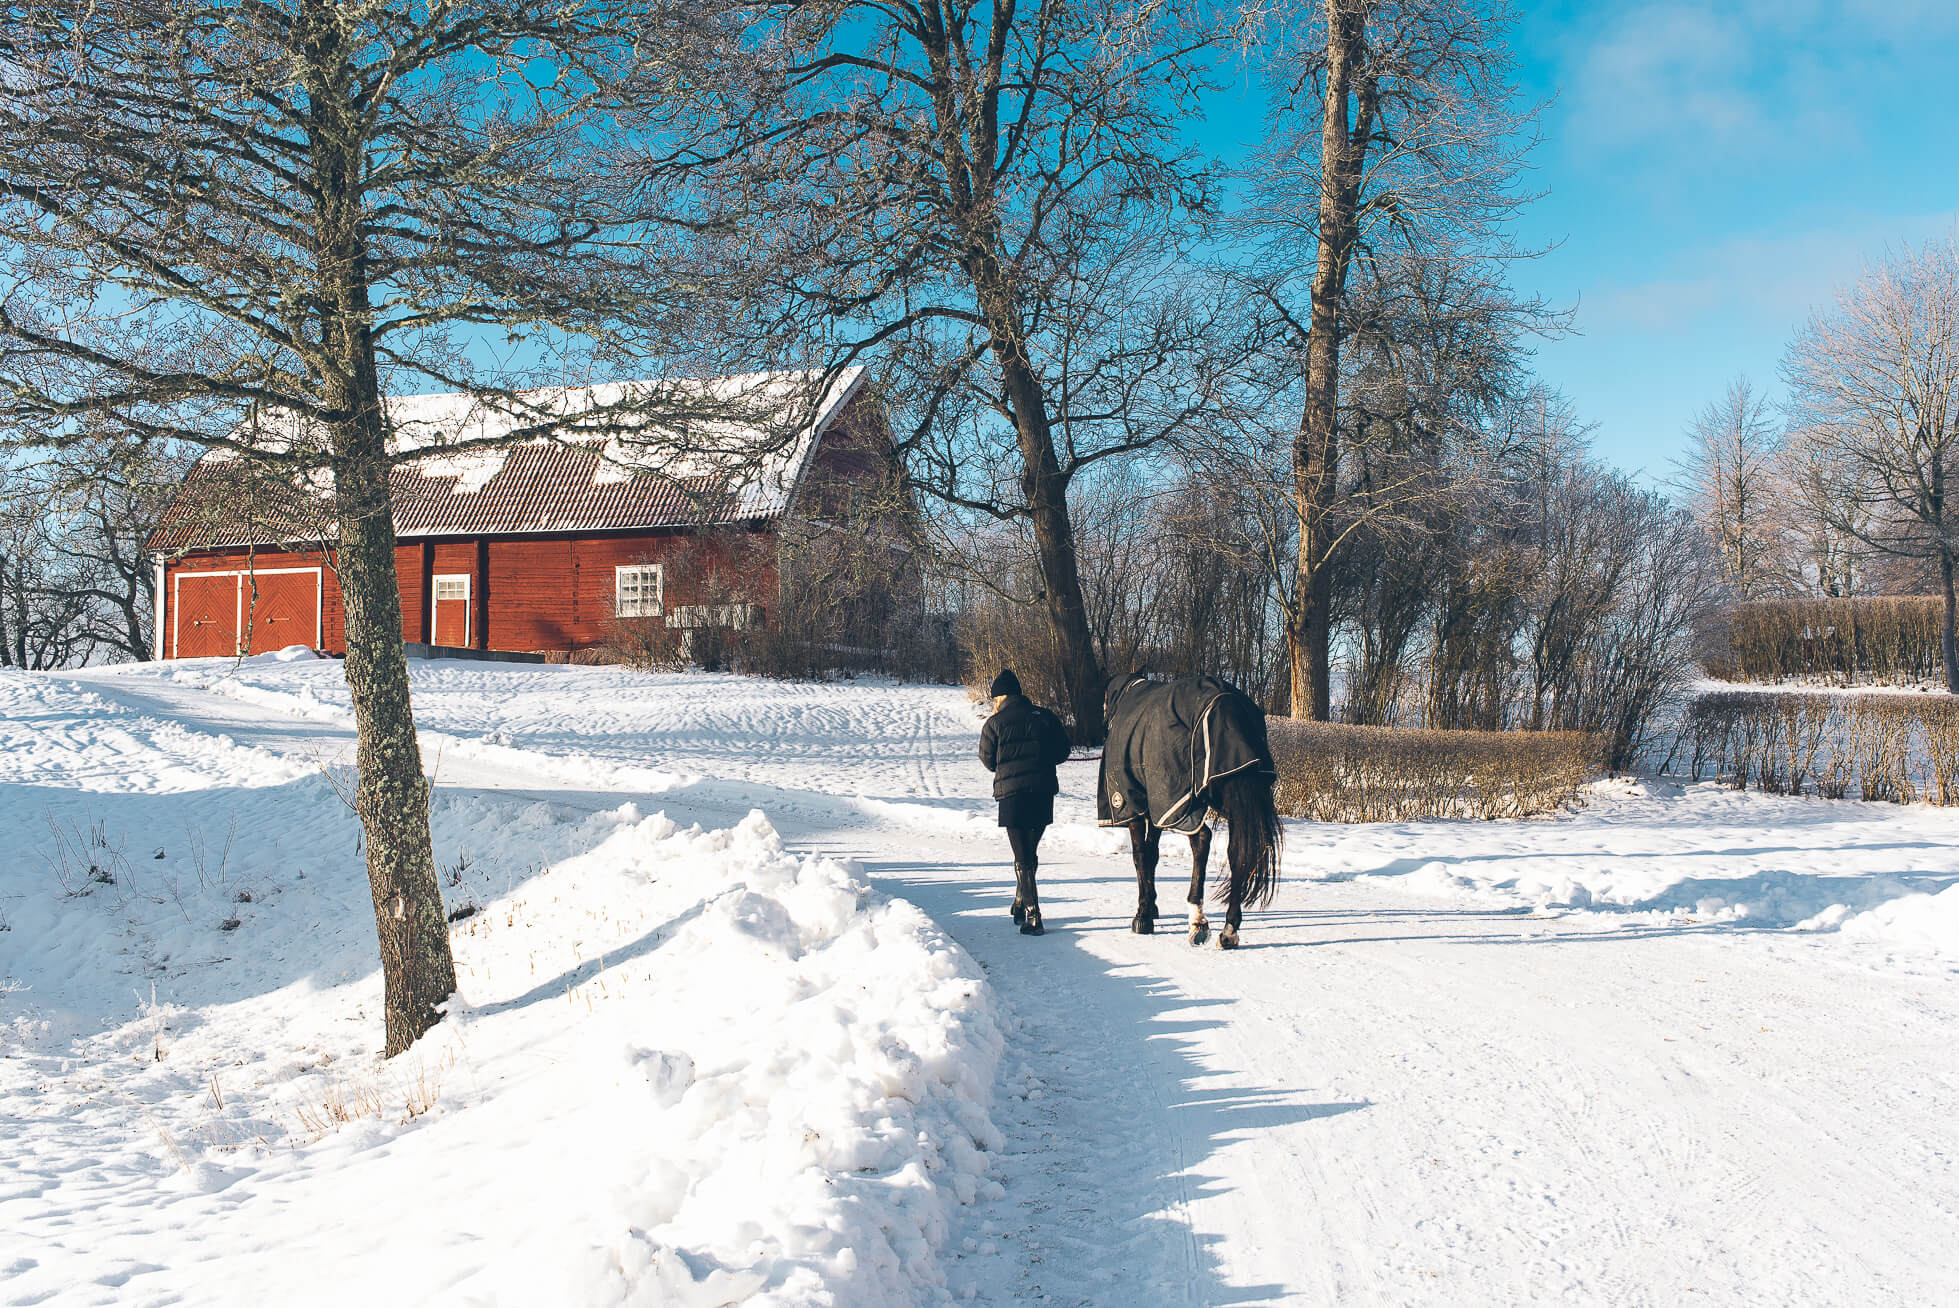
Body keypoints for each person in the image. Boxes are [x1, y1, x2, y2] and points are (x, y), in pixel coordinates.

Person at [977, 669, 1071, 935]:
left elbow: (987, 760)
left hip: (1011, 795)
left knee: (1022, 855)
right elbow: (1063, 750)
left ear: (1001, 697)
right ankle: (1020, 902)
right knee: (1029, 851)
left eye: (995, 698)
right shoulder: (1045, 716)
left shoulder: (994, 724)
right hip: (1042, 791)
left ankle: (1033, 915)